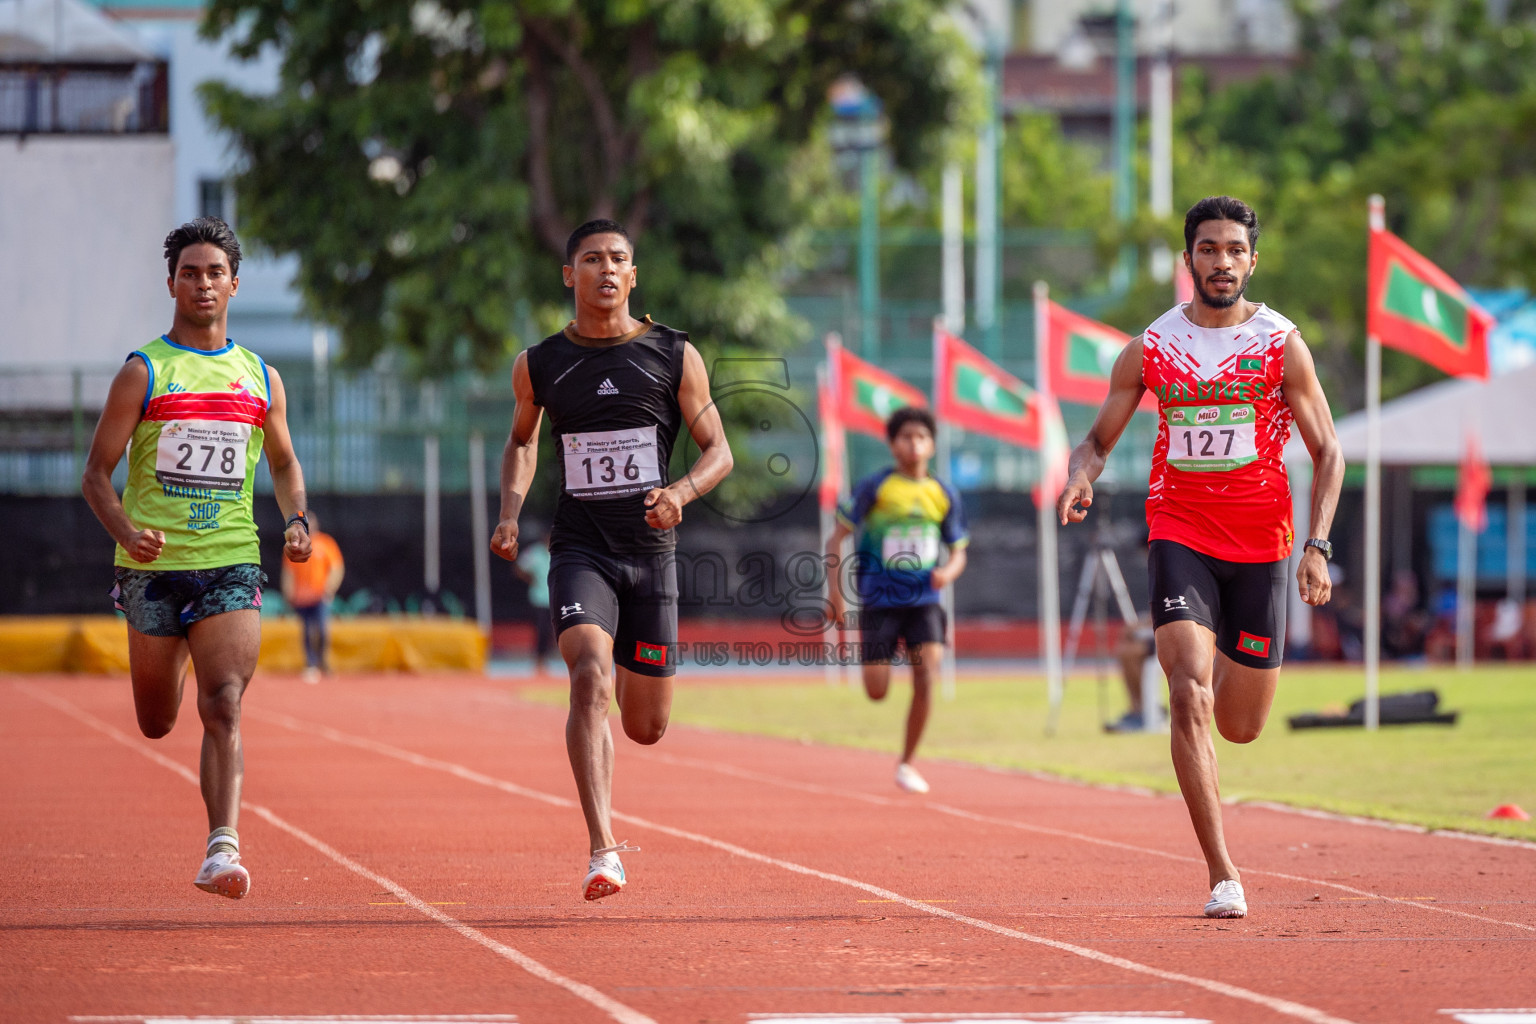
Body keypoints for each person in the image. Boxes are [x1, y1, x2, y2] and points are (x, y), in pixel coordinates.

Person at [1056, 196, 1343, 918]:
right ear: (1189, 259)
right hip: (1179, 531)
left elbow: (1329, 450)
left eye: (1234, 250)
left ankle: (1212, 656)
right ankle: (1224, 874)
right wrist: (1081, 475)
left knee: (1240, 726)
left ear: (1252, 260)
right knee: (1187, 689)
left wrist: (1316, 546)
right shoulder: (1152, 346)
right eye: (1208, 249)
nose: (1221, 261)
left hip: (1262, 545)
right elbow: (1096, 439)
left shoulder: (1281, 343)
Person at [490, 219, 733, 901]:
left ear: (634, 275)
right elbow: (522, 441)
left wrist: (682, 491)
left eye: (618, 259)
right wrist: (509, 512)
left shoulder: (673, 352)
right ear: (569, 275)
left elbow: (720, 450)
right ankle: (603, 848)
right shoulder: (539, 362)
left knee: (646, 726)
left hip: (651, 554)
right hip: (580, 548)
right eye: (591, 258)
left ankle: (630, 680)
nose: (605, 269)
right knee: (588, 677)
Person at [81, 216, 312, 900]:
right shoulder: (143, 371)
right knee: (157, 721)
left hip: (232, 561)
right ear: (172, 284)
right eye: (191, 272)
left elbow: (285, 460)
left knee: (227, 703)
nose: (203, 283)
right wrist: (126, 532)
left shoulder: (260, 378)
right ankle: (173, 651)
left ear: (234, 285)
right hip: (152, 567)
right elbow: (96, 474)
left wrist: (297, 517)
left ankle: (222, 848)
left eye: (215, 272)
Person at [826, 406, 969, 795]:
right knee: (877, 690)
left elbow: (958, 550)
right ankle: (882, 677)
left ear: (932, 445)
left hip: (925, 599)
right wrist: (836, 594)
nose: (914, 444)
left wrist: (948, 572)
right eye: (906, 437)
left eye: (922, 437)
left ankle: (907, 762)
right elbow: (835, 538)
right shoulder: (875, 488)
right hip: (879, 600)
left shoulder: (943, 493)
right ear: (892, 444)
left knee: (926, 677)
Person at [281, 510, 344, 682]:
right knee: (307, 630)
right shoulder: (295, 544)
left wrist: (329, 589)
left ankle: (323, 661)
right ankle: (311, 664)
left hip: (319, 596)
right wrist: (289, 593)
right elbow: (288, 571)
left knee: (322, 630)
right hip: (302, 597)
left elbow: (336, 568)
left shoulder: (325, 543)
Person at [514, 530, 554, 676]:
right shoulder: (534, 553)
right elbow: (519, 568)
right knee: (542, 629)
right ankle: (539, 659)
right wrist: (530, 579)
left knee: (551, 631)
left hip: (556, 598)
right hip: (539, 598)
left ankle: (545, 657)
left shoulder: (561, 551)